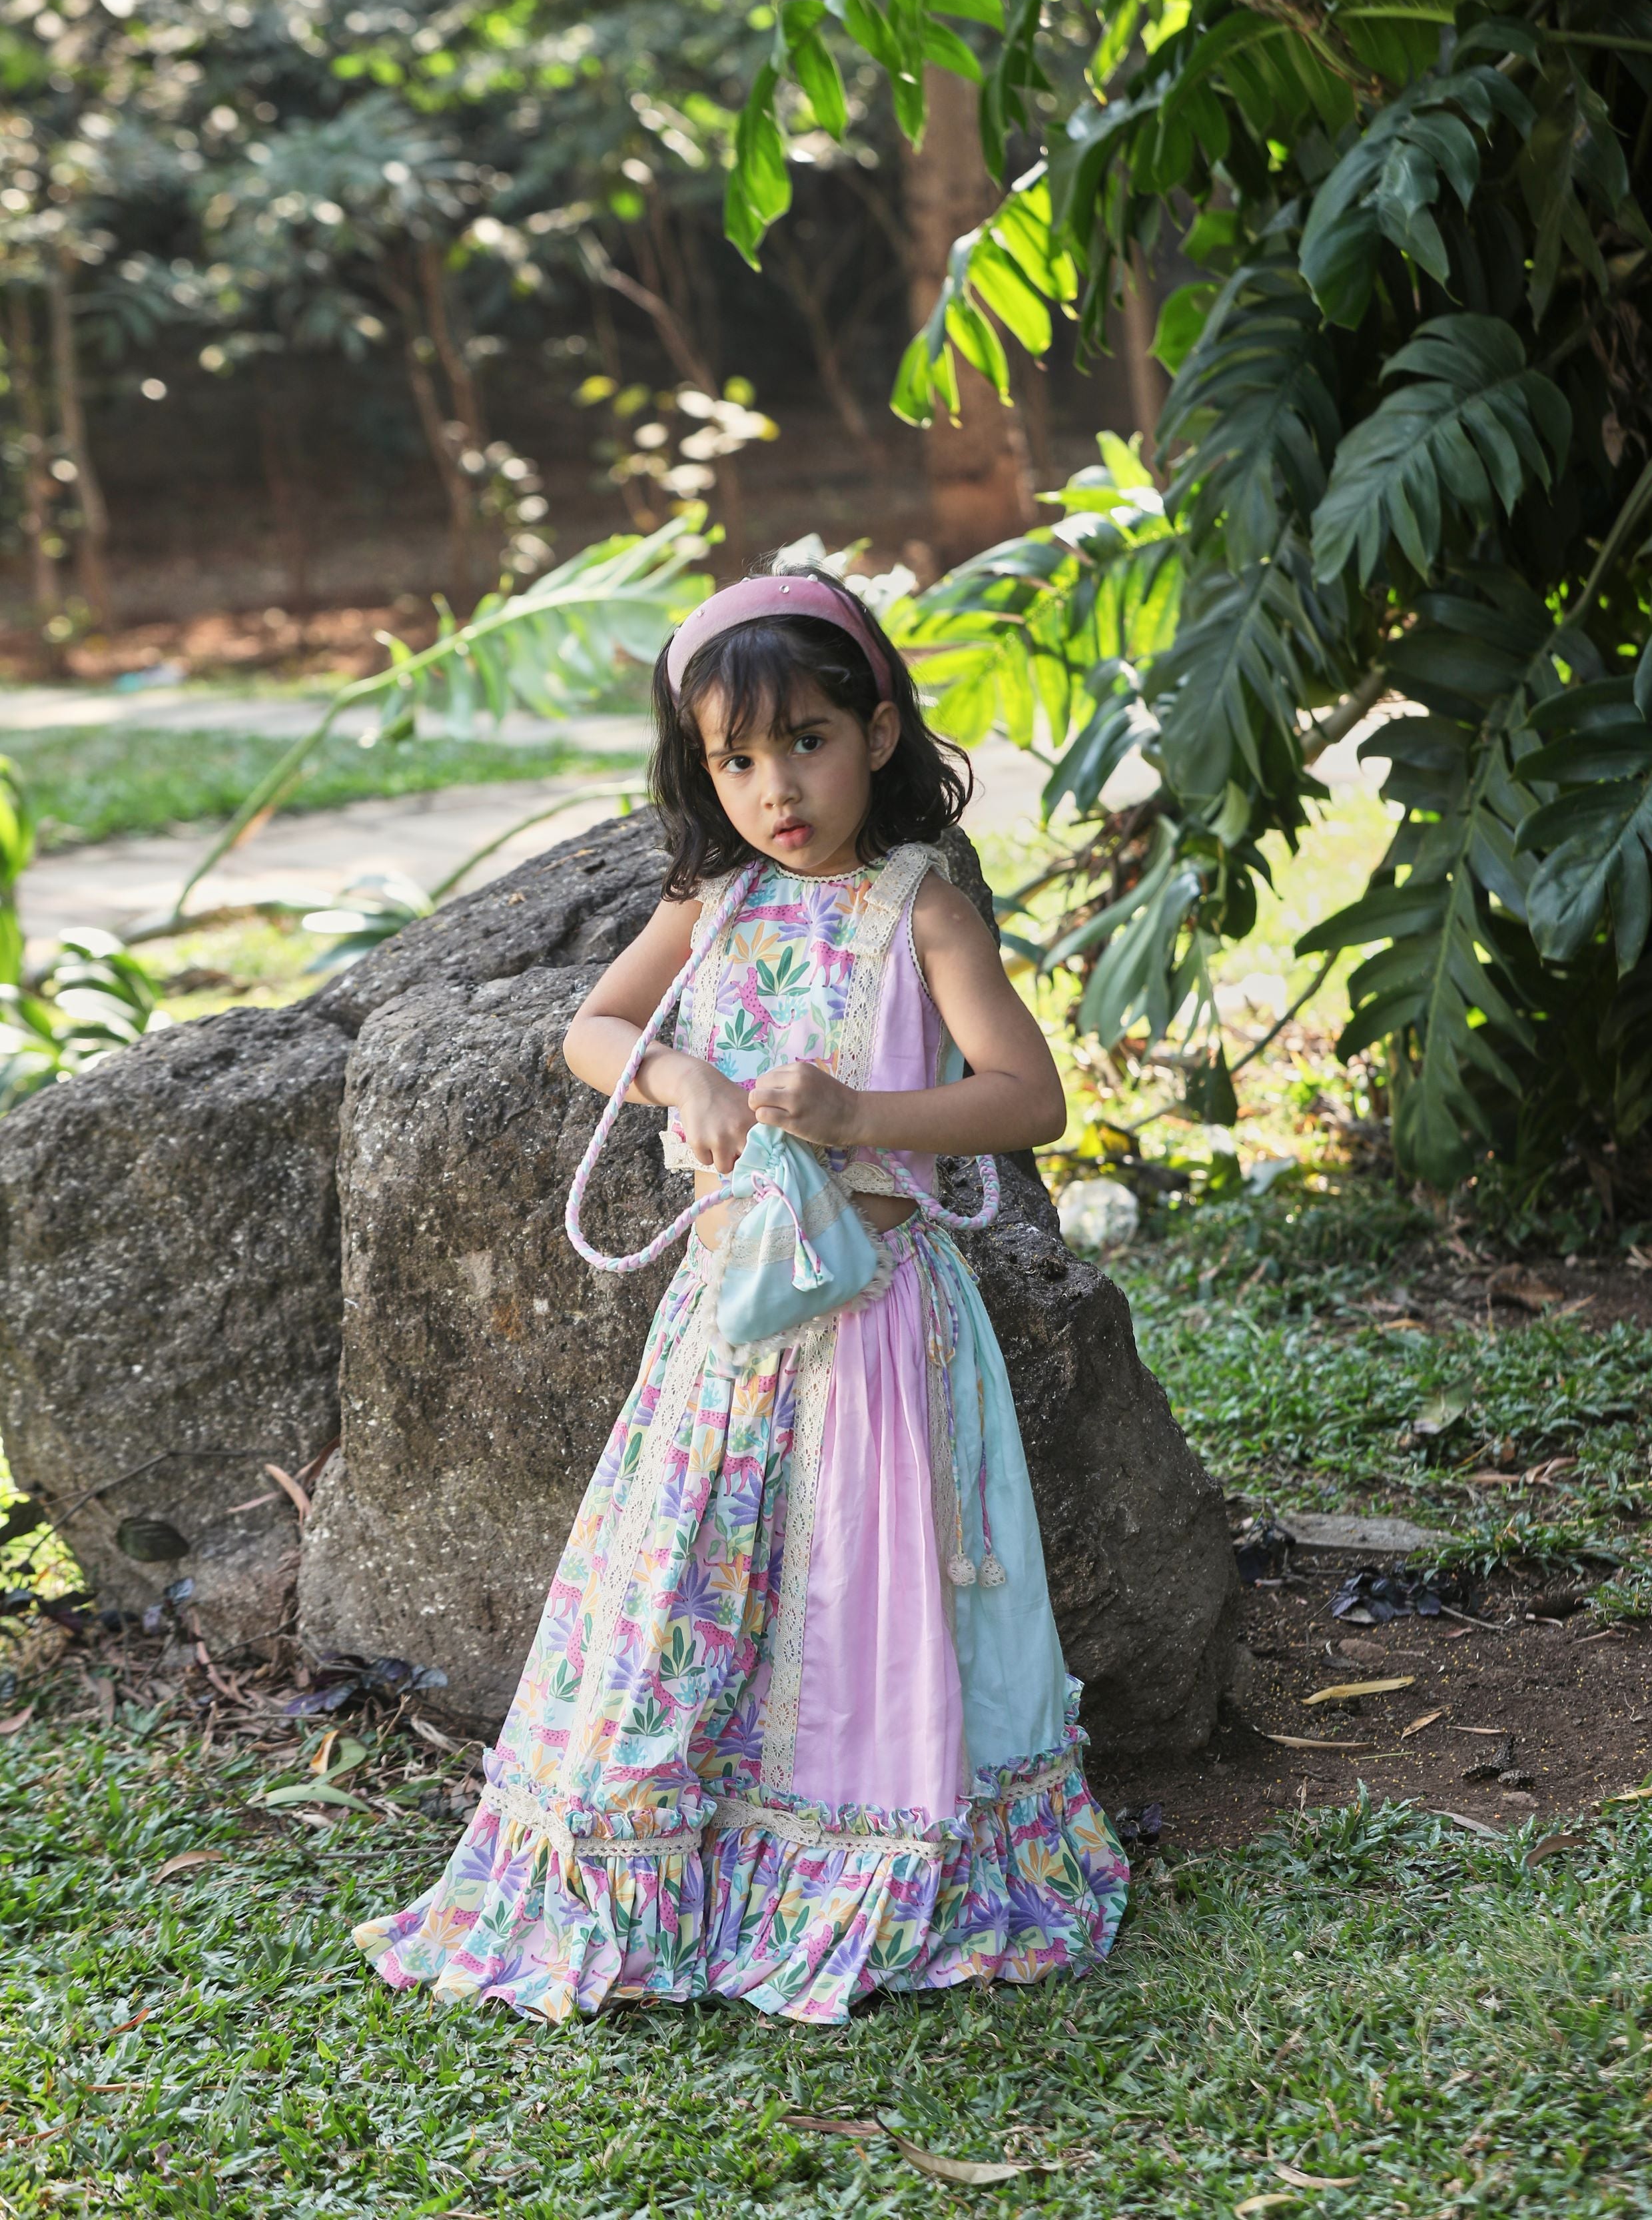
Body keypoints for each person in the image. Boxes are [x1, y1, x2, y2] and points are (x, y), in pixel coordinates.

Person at [354, 562, 1128, 2025]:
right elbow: (589, 1026)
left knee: (860, 1592)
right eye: (736, 759)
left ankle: (861, 1859)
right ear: (702, 772)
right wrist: (675, 1071)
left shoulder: (923, 908)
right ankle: (665, 1852)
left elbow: (1031, 1100)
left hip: (879, 1318)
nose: (778, 787)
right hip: (725, 1328)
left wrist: (860, 1114)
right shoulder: (710, 901)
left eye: (808, 743)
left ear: (878, 732)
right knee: (690, 1585)